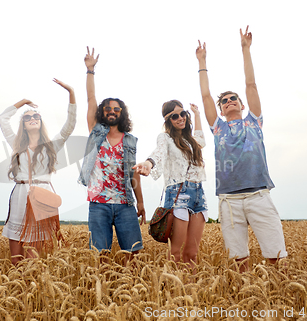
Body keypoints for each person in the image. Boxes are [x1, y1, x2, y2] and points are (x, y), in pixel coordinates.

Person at [196, 26, 287, 272]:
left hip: (259, 195)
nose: (228, 102)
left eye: (232, 98)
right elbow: (205, 97)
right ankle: (246, 300)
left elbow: (251, 84)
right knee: (239, 260)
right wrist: (202, 62)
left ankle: (279, 299)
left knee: (276, 255)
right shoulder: (217, 128)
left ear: (242, 104)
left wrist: (245, 50)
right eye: (224, 101)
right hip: (229, 199)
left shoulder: (254, 122)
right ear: (222, 110)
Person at [78, 47, 146, 262]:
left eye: (116, 109)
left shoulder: (130, 141)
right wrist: (90, 70)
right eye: (107, 109)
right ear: (102, 112)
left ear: (121, 113)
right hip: (99, 203)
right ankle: (104, 293)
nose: (111, 111)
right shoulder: (96, 132)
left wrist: (141, 202)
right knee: (101, 256)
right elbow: (90, 98)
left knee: (133, 255)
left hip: (126, 203)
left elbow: (133, 173)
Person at [0, 79, 76, 265]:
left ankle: (31, 287)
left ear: (40, 122)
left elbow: (69, 125)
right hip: (20, 194)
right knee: (16, 258)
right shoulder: (16, 143)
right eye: (27, 118)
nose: (32, 119)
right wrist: (23, 102)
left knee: (33, 258)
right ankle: (17, 289)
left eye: (36, 117)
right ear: (23, 125)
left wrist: (71, 93)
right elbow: (3, 118)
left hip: (41, 196)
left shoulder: (52, 145)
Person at [134, 101, 208, 269]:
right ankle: (171, 290)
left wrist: (196, 114)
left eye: (183, 114)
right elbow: (157, 153)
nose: (180, 118)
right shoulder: (165, 138)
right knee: (175, 251)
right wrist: (148, 164)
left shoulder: (191, 140)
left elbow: (201, 139)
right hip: (178, 193)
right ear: (168, 120)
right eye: (175, 116)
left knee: (192, 253)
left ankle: (191, 292)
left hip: (199, 195)